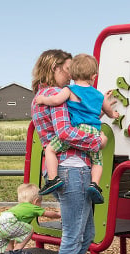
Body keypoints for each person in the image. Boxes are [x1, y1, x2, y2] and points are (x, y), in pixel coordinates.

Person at [31, 49, 105, 254]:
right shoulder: (55, 97)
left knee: (86, 234)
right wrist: (97, 141)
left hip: (73, 168)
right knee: (73, 235)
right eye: (67, 68)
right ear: (54, 69)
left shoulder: (48, 96)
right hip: (72, 168)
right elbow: (64, 132)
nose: (71, 74)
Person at [35, 53, 118, 204]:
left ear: (74, 74)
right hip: (89, 136)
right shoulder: (98, 95)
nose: (68, 74)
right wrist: (112, 114)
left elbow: (56, 102)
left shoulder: (69, 90)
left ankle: (53, 179)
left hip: (79, 130)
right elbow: (88, 118)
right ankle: (95, 184)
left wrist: (42, 100)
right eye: (66, 68)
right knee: (98, 161)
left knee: (50, 149)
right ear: (93, 76)